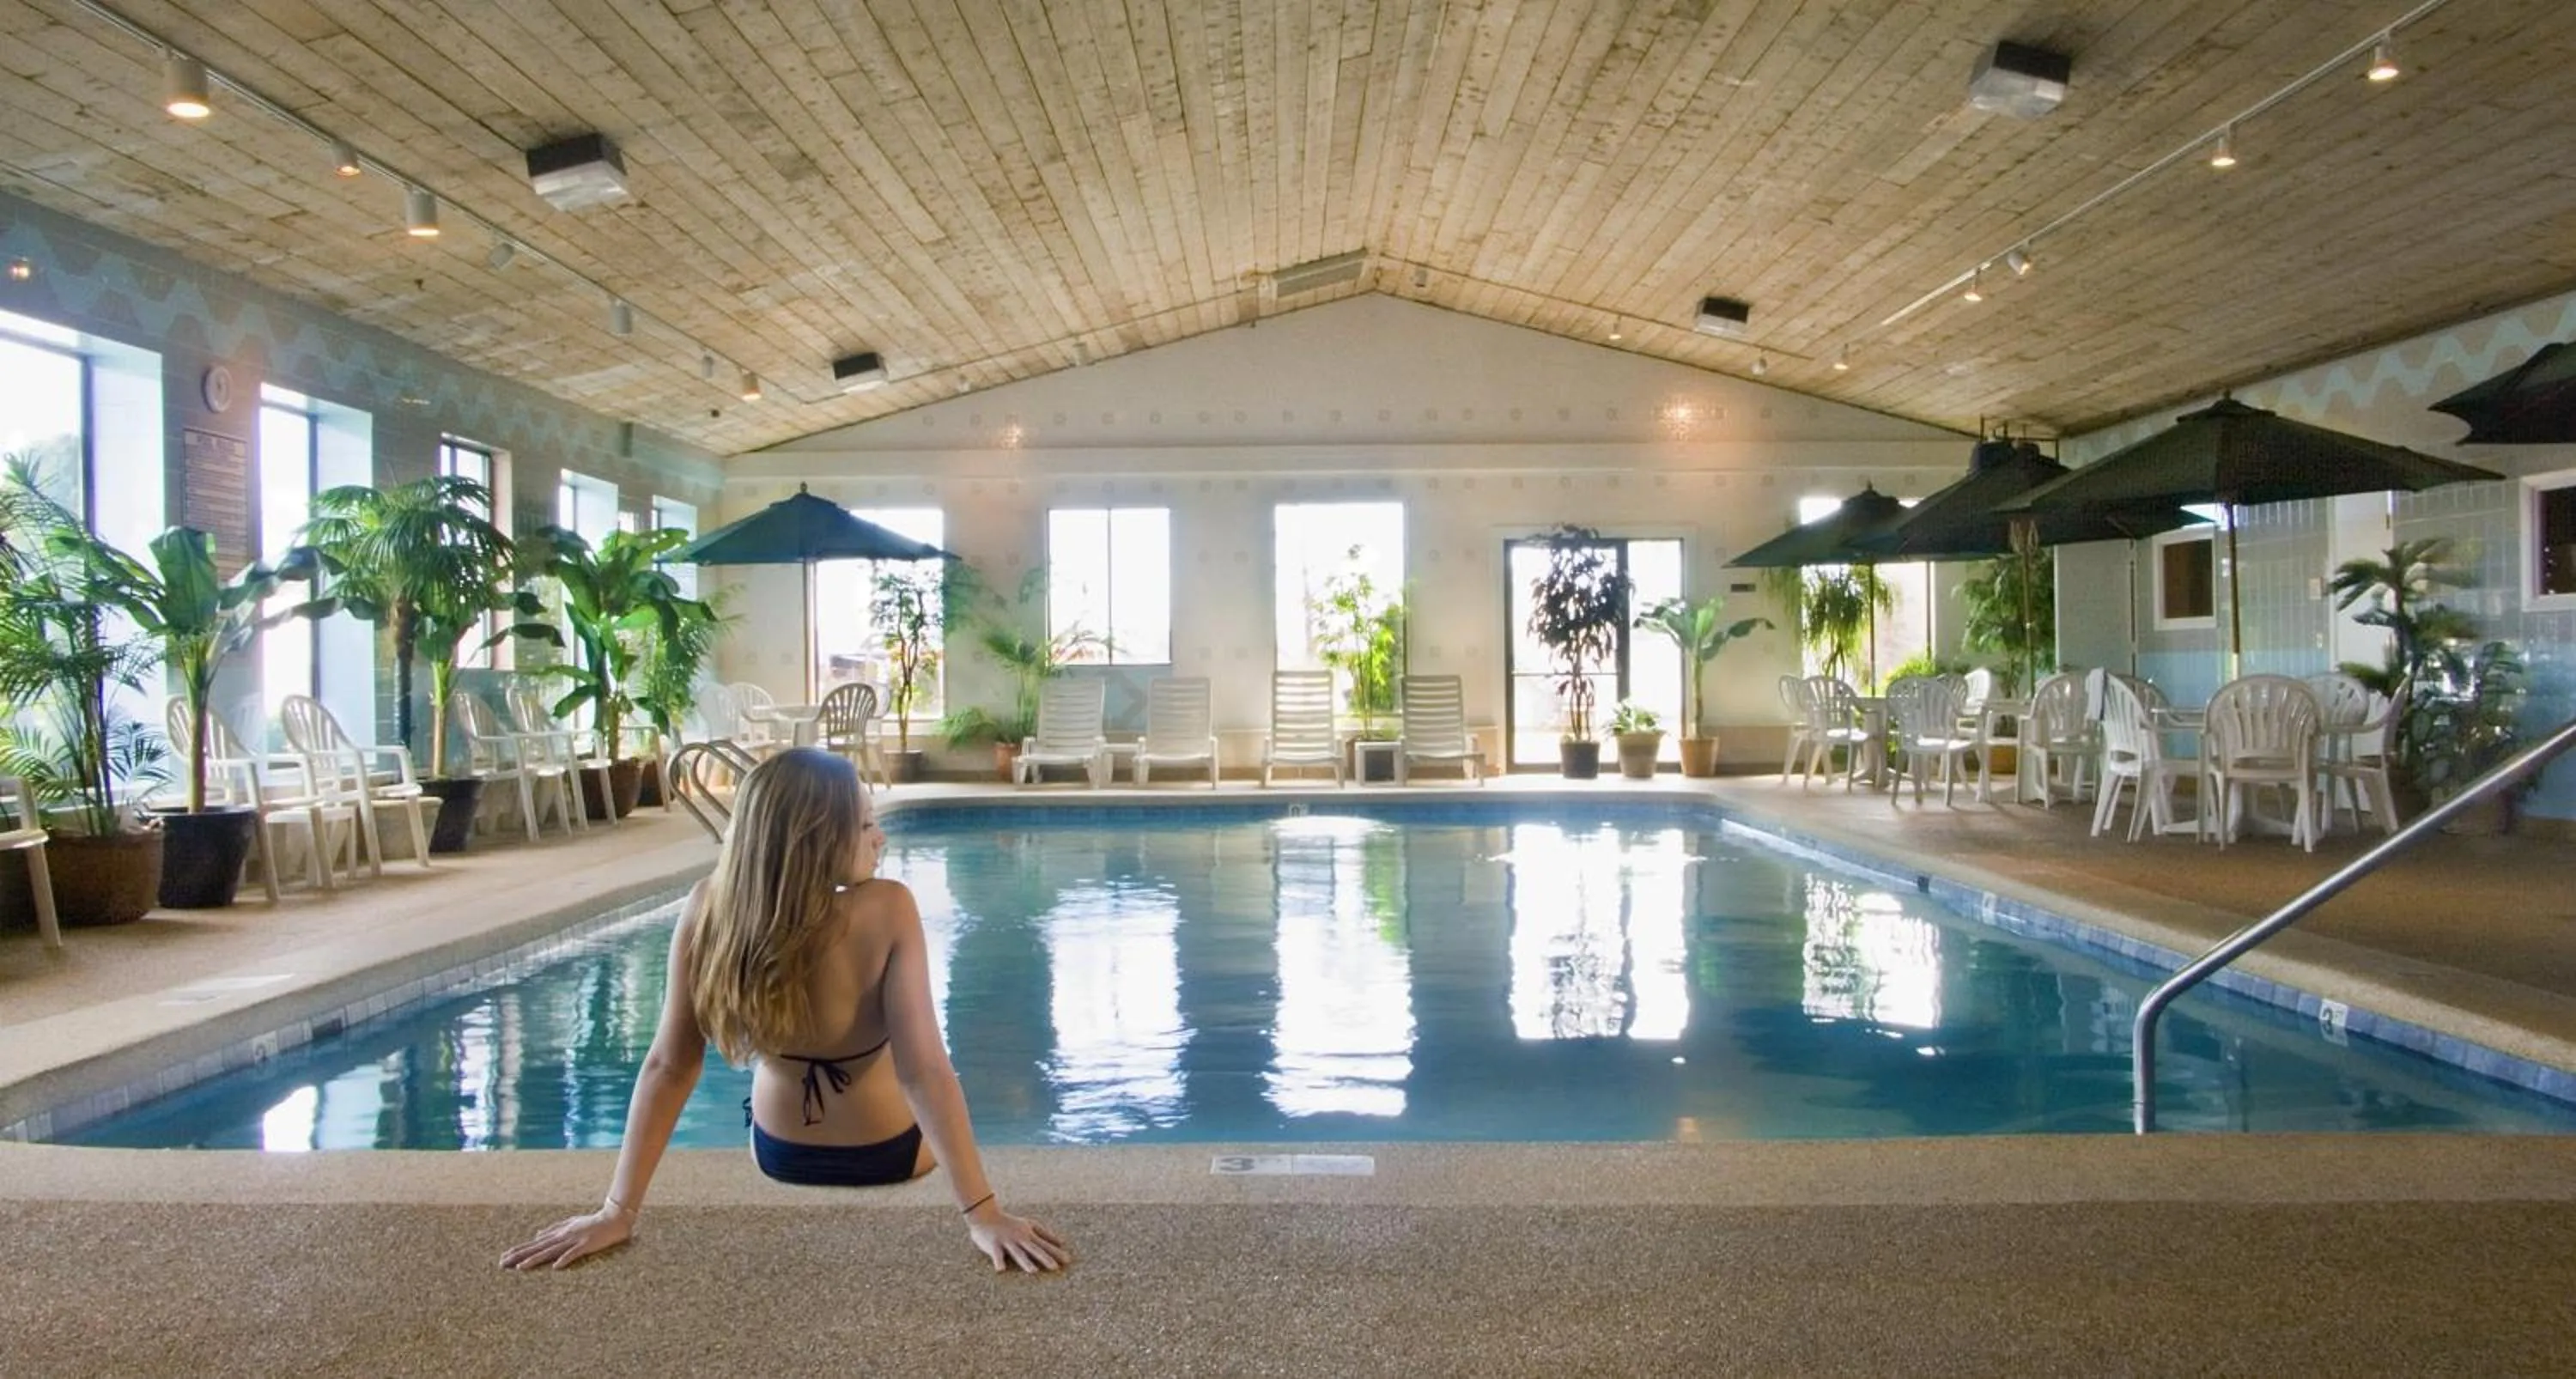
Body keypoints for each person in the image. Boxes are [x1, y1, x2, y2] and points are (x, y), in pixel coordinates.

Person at [501, 748, 1069, 1273]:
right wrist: (982, 1213)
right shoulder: (888, 908)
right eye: (867, 824)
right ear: (819, 838)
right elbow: (922, 1072)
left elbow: (669, 1066)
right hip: (889, 1153)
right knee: (909, 1046)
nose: (881, 839)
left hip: (779, 1153)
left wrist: (616, 1211)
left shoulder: (708, 908)